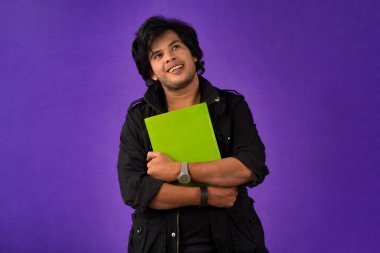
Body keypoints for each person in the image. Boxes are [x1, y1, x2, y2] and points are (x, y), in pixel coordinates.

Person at [117, 16, 270, 253]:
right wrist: (206, 196)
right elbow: (135, 190)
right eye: (157, 55)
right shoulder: (138, 117)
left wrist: (179, 170)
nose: (169, 57)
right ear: (152, 72)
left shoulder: (232, 106)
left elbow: (250, 166)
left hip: (233, 242)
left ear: (194, 54)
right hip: (159, 245)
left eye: (176, 46)